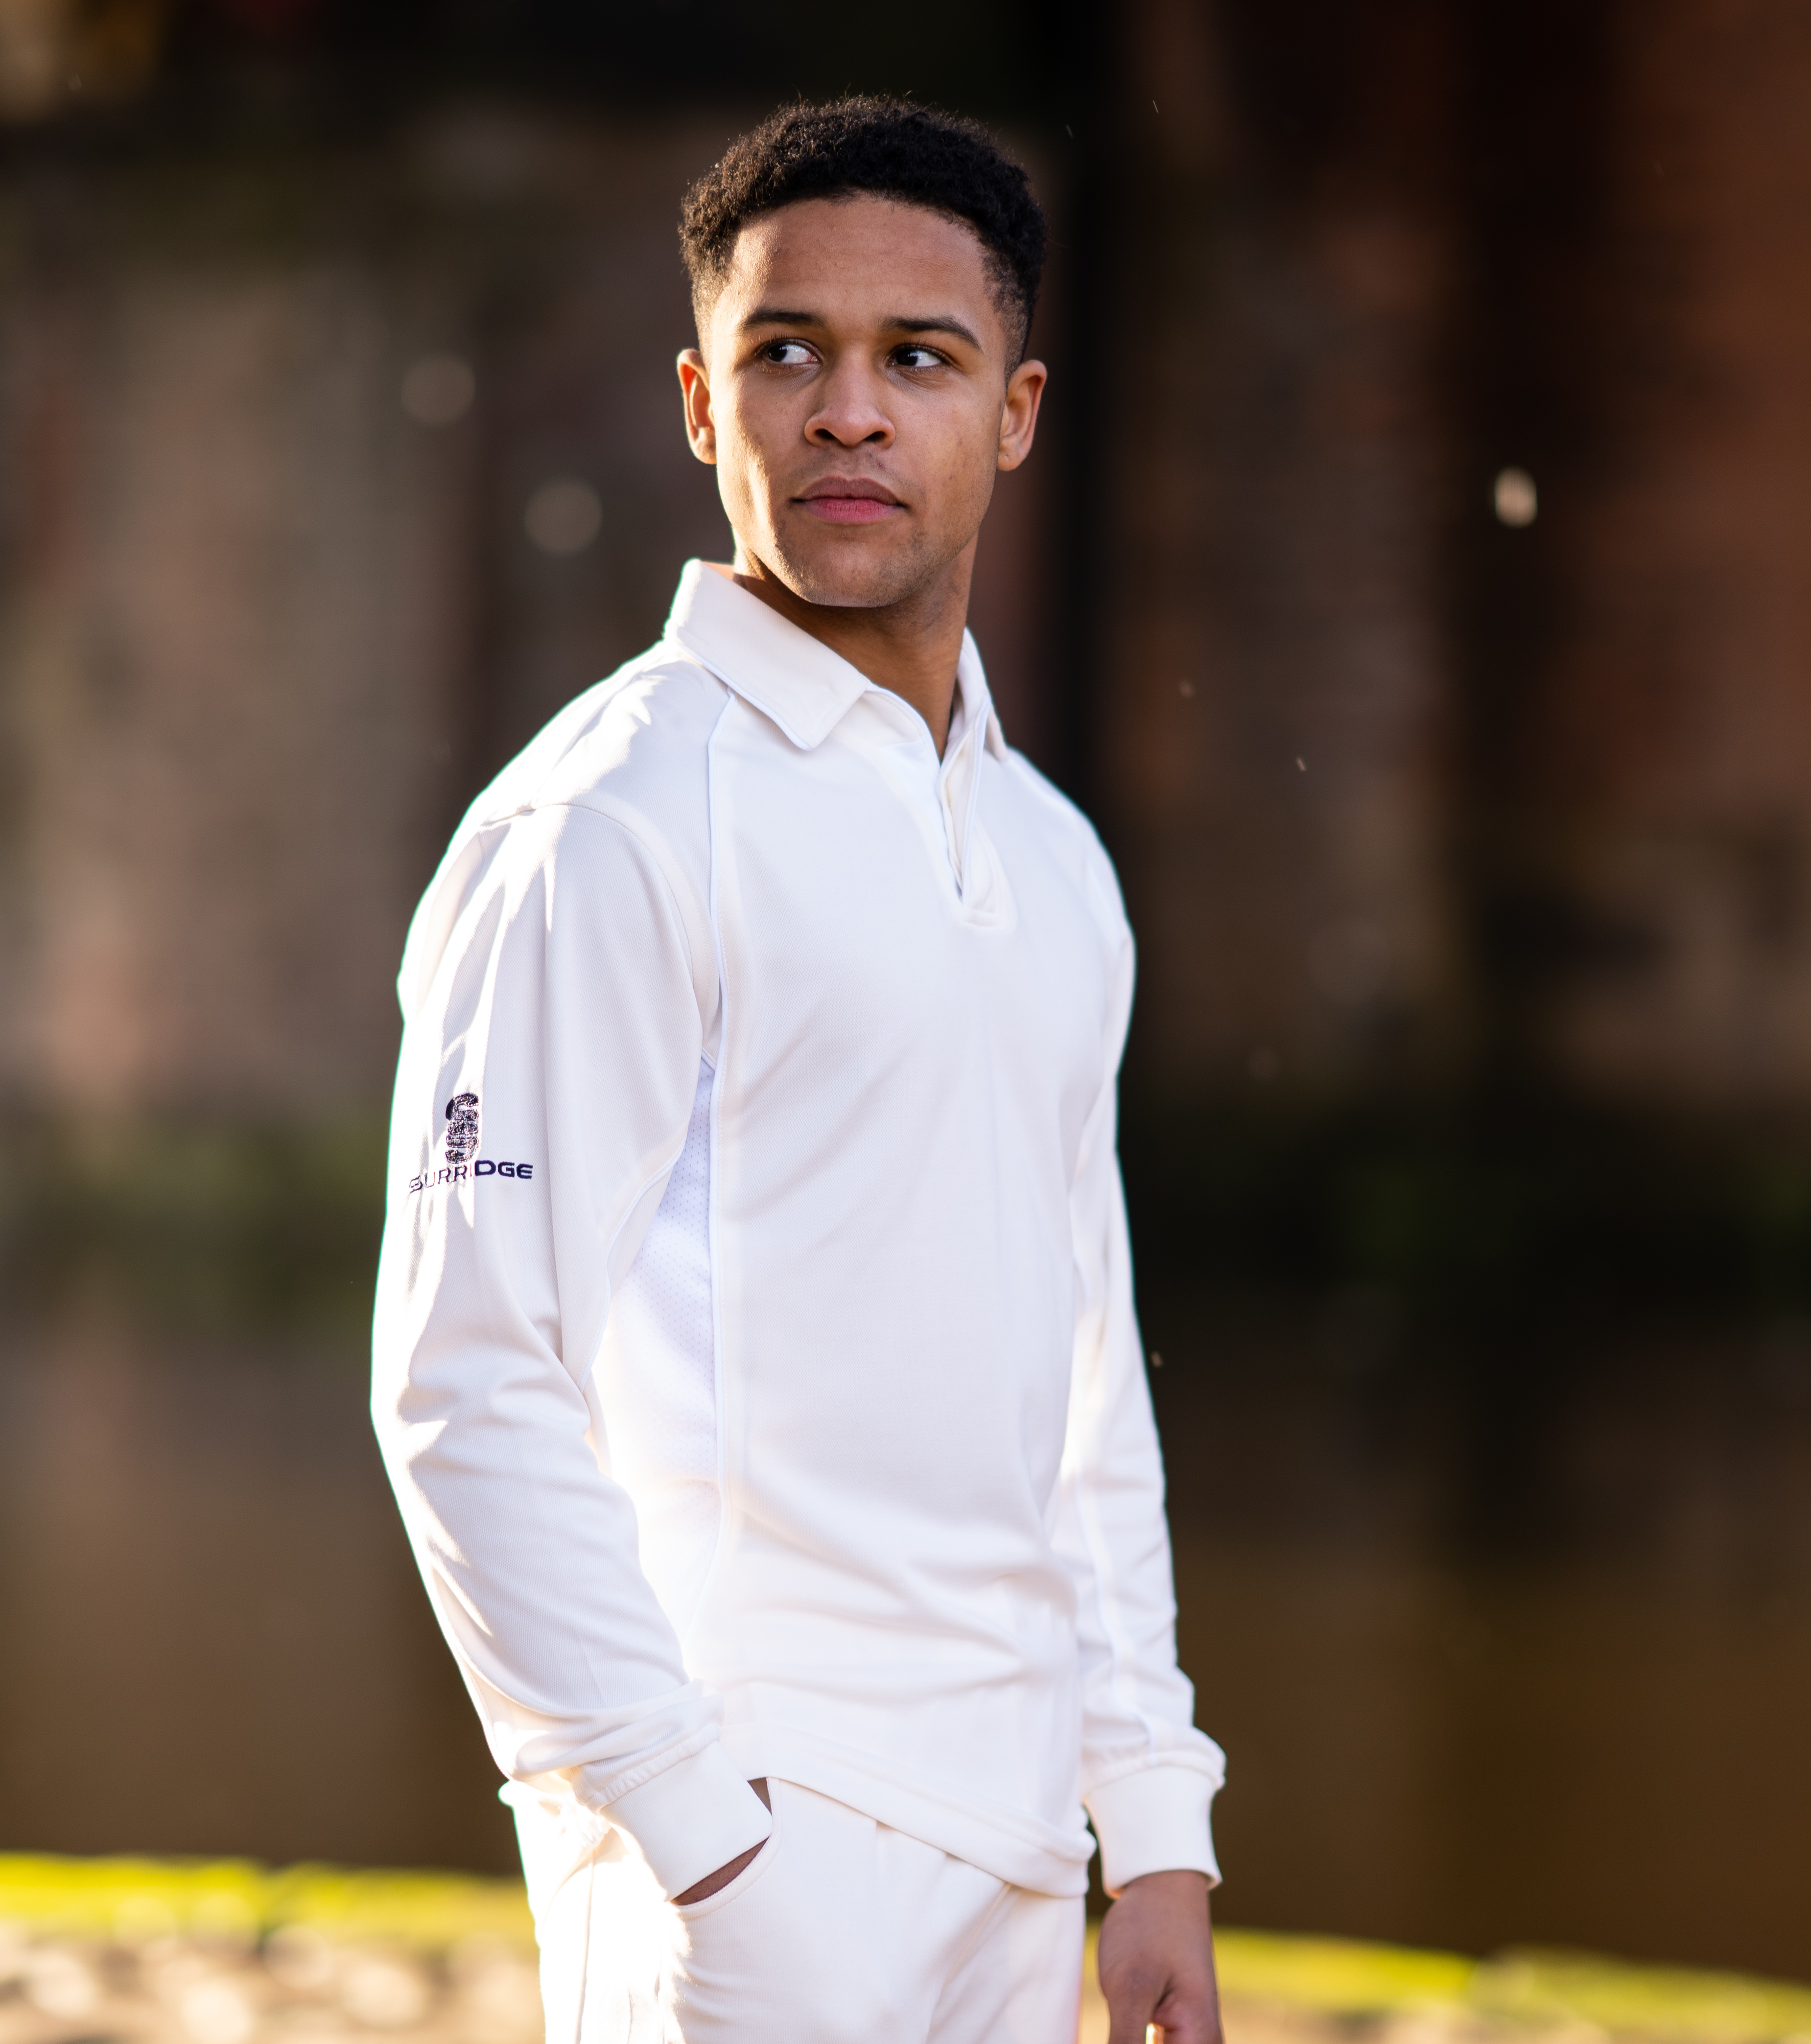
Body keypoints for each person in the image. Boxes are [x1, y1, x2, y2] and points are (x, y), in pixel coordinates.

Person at [372, 96, 1227, 2044]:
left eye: (918, 359)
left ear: (1015, 411)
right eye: (787, 355)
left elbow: (1085, 1383)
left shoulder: (1051, 861)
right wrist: (698, 1849)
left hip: (1018, 1856)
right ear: (702, 405)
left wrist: (1152, 1821)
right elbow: (465, 1383)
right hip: (747, 1848)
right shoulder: (608, 823)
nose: (850, 413)